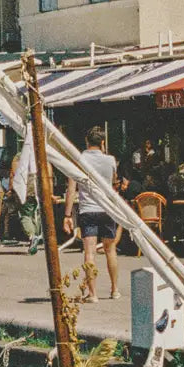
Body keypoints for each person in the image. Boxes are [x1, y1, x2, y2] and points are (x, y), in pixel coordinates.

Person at [63, 126, 121, 301]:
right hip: (107, 209)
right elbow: (113, 182)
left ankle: (92, 293)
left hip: (88, 209)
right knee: (110, 250)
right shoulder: (110, 160)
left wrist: (67, 215)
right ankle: (115, 289)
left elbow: (71, 189)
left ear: (87, 142)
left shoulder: (78, 159)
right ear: (102, 143)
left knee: (89, 252)